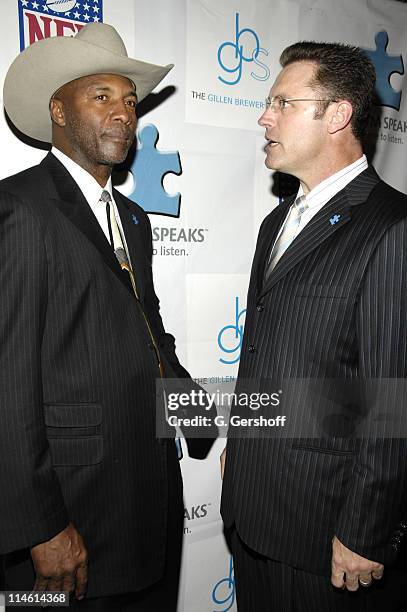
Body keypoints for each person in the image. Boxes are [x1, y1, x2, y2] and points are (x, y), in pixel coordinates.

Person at [0, 22, 196, 612]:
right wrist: (39, 527)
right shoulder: (19, 209)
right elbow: (7, 383)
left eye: (131, 101)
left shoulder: (133, 218)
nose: (124, 115)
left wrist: (212, 412)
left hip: (148, 496)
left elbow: (147, 332)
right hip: (68, 515)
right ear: (58, 110)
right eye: (102, 97)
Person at [220, 41, 407, 611]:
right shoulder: (276, 222)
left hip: (326, 535)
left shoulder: (392, 226)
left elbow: (391, 400)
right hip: (254, 512)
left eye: (282, 101)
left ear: (339, 115)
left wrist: (364, 531)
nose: (264, 116)